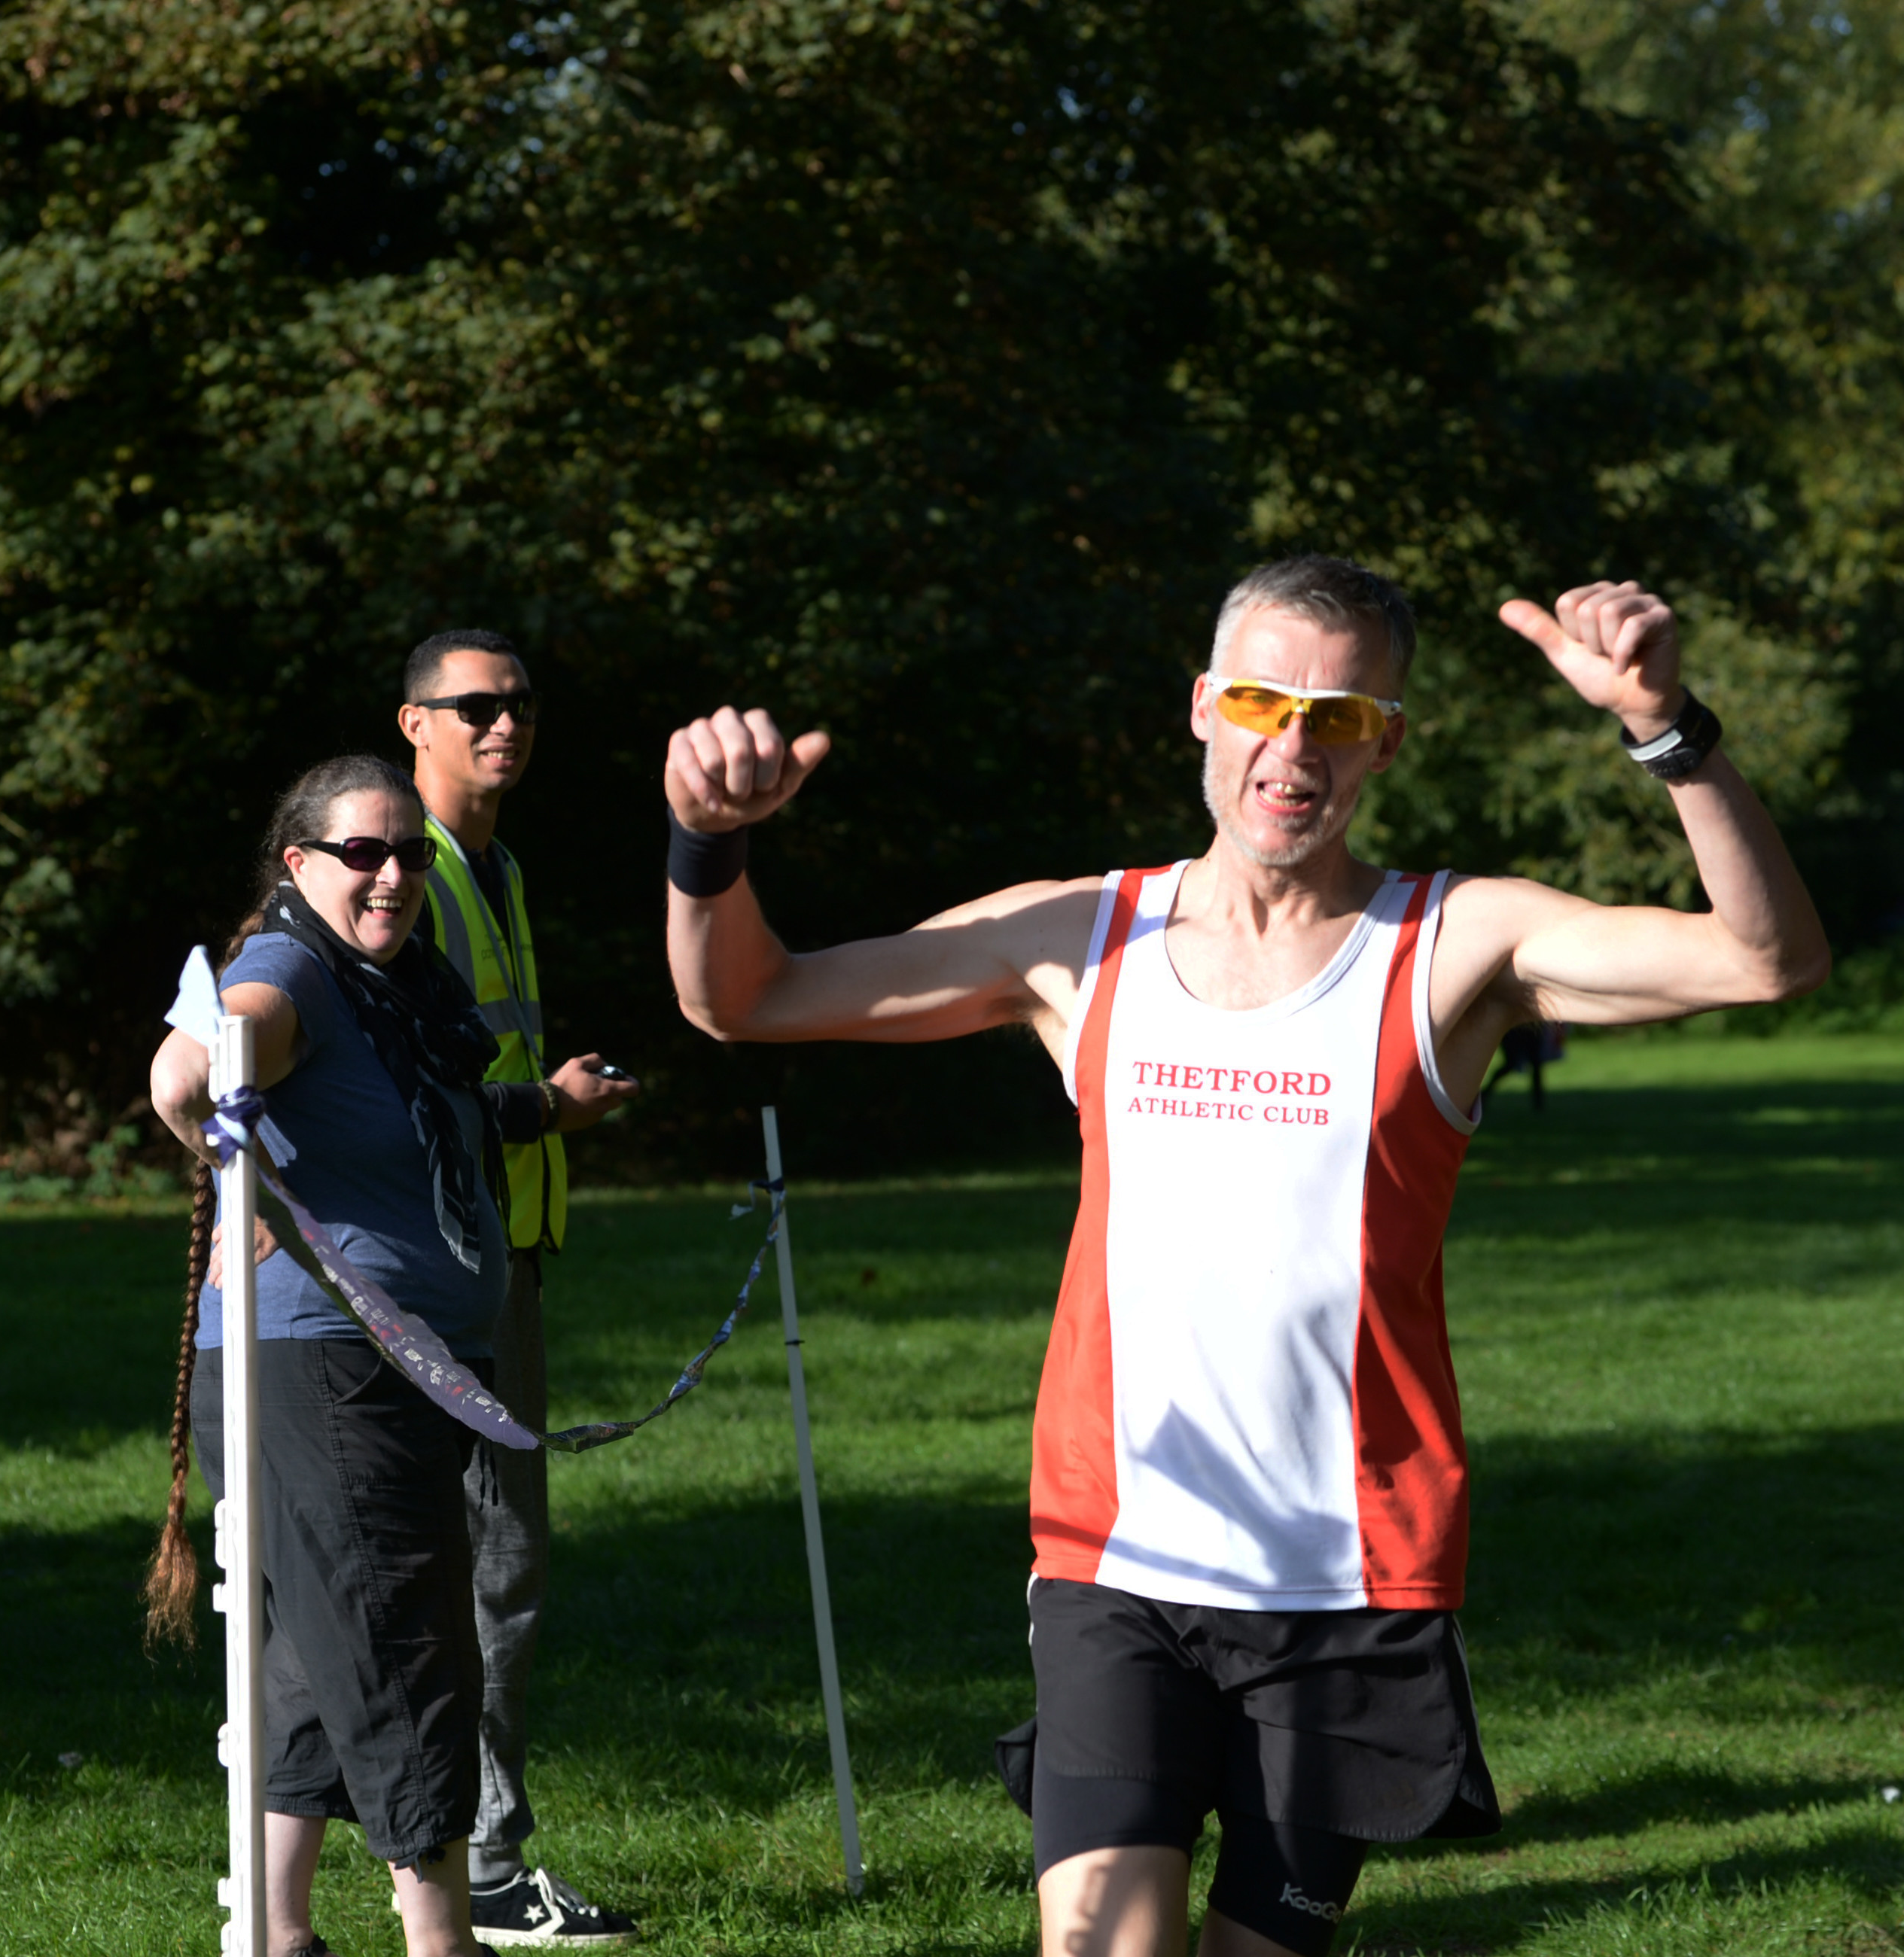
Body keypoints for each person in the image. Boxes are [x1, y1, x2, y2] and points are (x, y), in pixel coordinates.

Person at [657, 556, 1829, 1957]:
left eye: (1337, 717)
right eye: (1265, 702)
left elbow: (1765, 962)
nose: (1292, 747)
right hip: (1117, 1554)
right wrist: (704, 844)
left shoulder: (1454, 944)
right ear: (1204, 707)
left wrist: (1670, 735)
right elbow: (746, 998)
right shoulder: (1079, 936)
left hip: (1348, 1576)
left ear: (1382, 742)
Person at [145, 754, 511, 1957]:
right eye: (363, 852)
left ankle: (277, 1932)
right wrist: (211, 1122)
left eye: (408, 852)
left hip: (372, 1367)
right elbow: (205, 1050)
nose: (393, 874)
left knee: (311, 1648)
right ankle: (439, 1940)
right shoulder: (292, 961)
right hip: (324, 1371)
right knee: (401, 1644)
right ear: (300, 864)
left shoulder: (395, 984)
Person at [399, 629, 644, 1948]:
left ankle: (447, 1850)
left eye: (522, 706)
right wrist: (542, 1111)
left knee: (489, 1561)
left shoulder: (494, 865)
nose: (506, 725)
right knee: (489, 1563)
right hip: (441, 1275)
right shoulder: (406, 870)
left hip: (506, 1261)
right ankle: (480, 1866)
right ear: (415, 722)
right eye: (477, 706)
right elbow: (400, 1096)